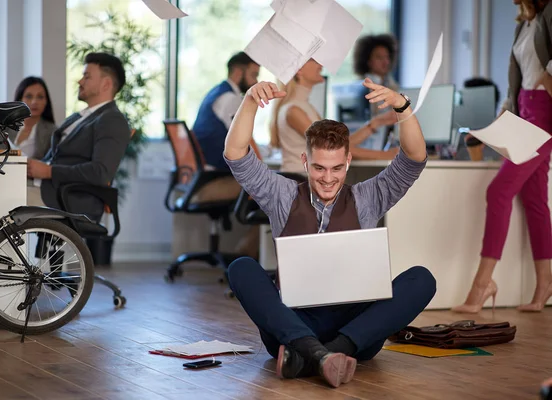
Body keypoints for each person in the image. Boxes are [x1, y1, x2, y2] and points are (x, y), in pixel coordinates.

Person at [223, 79, 436, 388]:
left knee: (422, 279)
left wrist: (402, 107)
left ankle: (322, 354)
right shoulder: (281, 194)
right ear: (305, 161)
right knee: (241, 268)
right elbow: (236, 154)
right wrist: (250, 101)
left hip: (354, 326)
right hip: (294, 322)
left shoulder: (368, 196)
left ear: (348, 162)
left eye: (336, 169)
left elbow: (414, 158)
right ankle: (319, 354)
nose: (328, 178)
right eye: (319, 168)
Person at [453, 0, 552, 313]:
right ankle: (546, 283)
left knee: (498, 191)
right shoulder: (524, 23)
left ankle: (483, 283)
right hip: (525, 110)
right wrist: (504, 116)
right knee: (534, 199)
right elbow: (516, 78)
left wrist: (547, 78)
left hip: (544, 112)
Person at [27, 52, 131, 222]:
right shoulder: (79, 117)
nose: (80, 81)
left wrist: (49, 171)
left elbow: (100, 172)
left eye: (86, 76)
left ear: (106, 84)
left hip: (68, 199)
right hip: (46, 188)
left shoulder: (112, 120)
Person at [269, 59, 398, 173]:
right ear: (299, 70)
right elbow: (333, 148)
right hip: (298, 183)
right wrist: (385, 155)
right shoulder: (294, 110)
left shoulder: (304, 107)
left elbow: (339, 143)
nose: (321, 64)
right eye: (313, 60)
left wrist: (375, 123)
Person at [192, 51, 260, 171]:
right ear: (239, 73)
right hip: (217, 168)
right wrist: (262, 165)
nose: (256, 82)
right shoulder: (231, 98)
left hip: (206, 165)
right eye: (254, 75)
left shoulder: (217, 91)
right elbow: (245, 139)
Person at [0, 76, 56, 159]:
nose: (34, 102)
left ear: (46, 101)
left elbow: (51, 164)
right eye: (29, 96)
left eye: (40, 97)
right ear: (20, 100)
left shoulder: (53, 132)